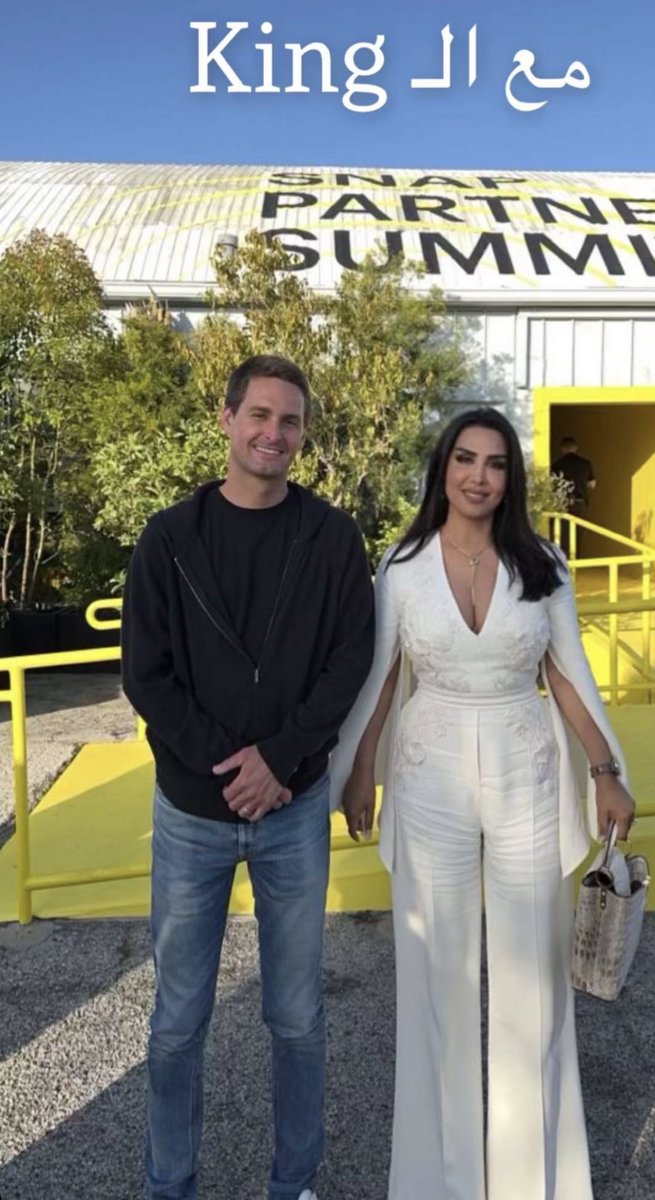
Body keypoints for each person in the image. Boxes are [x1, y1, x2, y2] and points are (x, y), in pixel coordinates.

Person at [333, 407, 635, 1200]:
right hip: (426, 773)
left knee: (532, 981)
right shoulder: (401, 565)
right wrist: (360, 768)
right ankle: (437, 1185)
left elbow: (566, 672)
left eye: (495, 464)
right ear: (442, 468)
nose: (478, 476)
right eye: (464, 459)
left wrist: (605, 769)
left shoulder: (542, 562)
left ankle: (536, 1183)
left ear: (511, 480)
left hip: (524, 770)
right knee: (435, 979)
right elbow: (382, 673)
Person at [121, 354, 375, 1200]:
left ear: (302, 435)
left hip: (293, 808)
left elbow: (350, 660)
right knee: (176, 1022)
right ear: (227, 419)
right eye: (260, 415)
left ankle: (293, 1183)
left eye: (289, 421)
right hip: (192, 812)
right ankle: (169, 1185)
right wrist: (230, 766)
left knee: (296, 1018)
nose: (274, 433)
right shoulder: (168, 539)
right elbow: (146, 674)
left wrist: (280, 760)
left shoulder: (331, 538)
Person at [551, 435, 596, 556]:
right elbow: (592, 484)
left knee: (563, 535)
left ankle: (564, 559)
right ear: (576, 448)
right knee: (577, 534)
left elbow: (552, 484)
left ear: (562, 448)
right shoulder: (585, 463)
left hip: (562, 503)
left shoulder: (557, 465)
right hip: (579, 502)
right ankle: (576, 559)